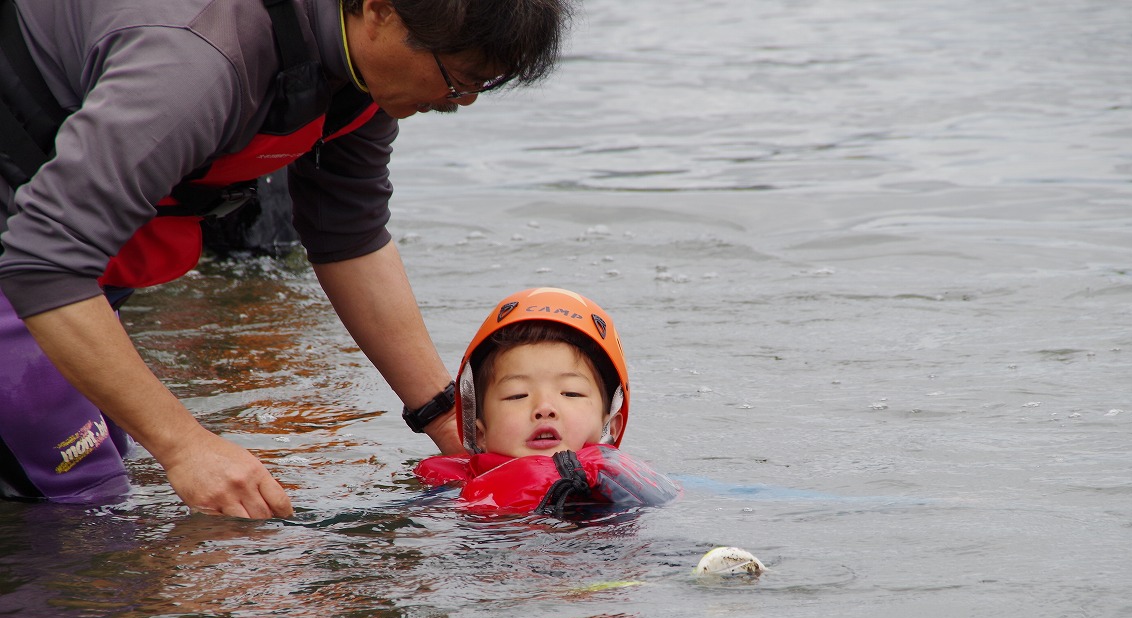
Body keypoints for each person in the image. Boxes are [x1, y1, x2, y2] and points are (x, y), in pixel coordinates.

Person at [0, 0, 571, 517]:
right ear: (378, 11)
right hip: (31, 259)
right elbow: (43, 262)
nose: (460, 103)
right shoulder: (197, 63)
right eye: (456, 80)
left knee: (110, 459)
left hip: (63, 258)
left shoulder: (362, 71)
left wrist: (446, 419)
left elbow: (347, 233)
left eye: (480, 85)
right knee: (84, 500)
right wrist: (186, 445)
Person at [414, 287, 679, 516]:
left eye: (571, 393)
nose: (544, 409)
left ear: (611, 426)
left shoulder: (631, 484)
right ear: (480, 434)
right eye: (517, 395)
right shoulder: (448, 495)